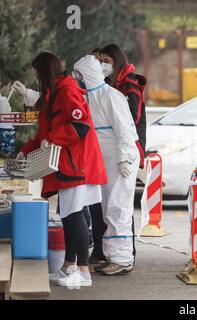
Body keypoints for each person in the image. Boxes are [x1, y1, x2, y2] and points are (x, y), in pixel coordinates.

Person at [16, 52, 108, 287]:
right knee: (67, 215)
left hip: (77, 163)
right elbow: (45, 134)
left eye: (37, 73)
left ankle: (84, 271)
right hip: (67, 162)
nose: (35, 77)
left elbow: (80, 125)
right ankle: (69, 266)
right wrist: (25, 150)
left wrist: (54, 139)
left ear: (44, 72)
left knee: (74, 214)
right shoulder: (53, 95)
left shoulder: (67, 91)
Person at [73, 55, 140, 275]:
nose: (77, 79)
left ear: (88, 74)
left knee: (118, 206)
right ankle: (112, 256)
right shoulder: (92, 97)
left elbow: (124, 130)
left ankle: (122, 259)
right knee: (106, 209)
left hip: (120, 159)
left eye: (79, 75)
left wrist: (123, 157)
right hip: (107, 159)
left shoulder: (111, 96)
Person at [99, 44, 148, 262]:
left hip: (129, 149)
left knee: (122, 203)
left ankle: (127, 253)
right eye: (101, 61)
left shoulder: (130, 85)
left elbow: (132, 119)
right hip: (117, 149)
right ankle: (112, 251)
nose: (103, 66)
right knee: (114, 203)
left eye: (106, 61)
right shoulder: (111, 85)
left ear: (116, 61)